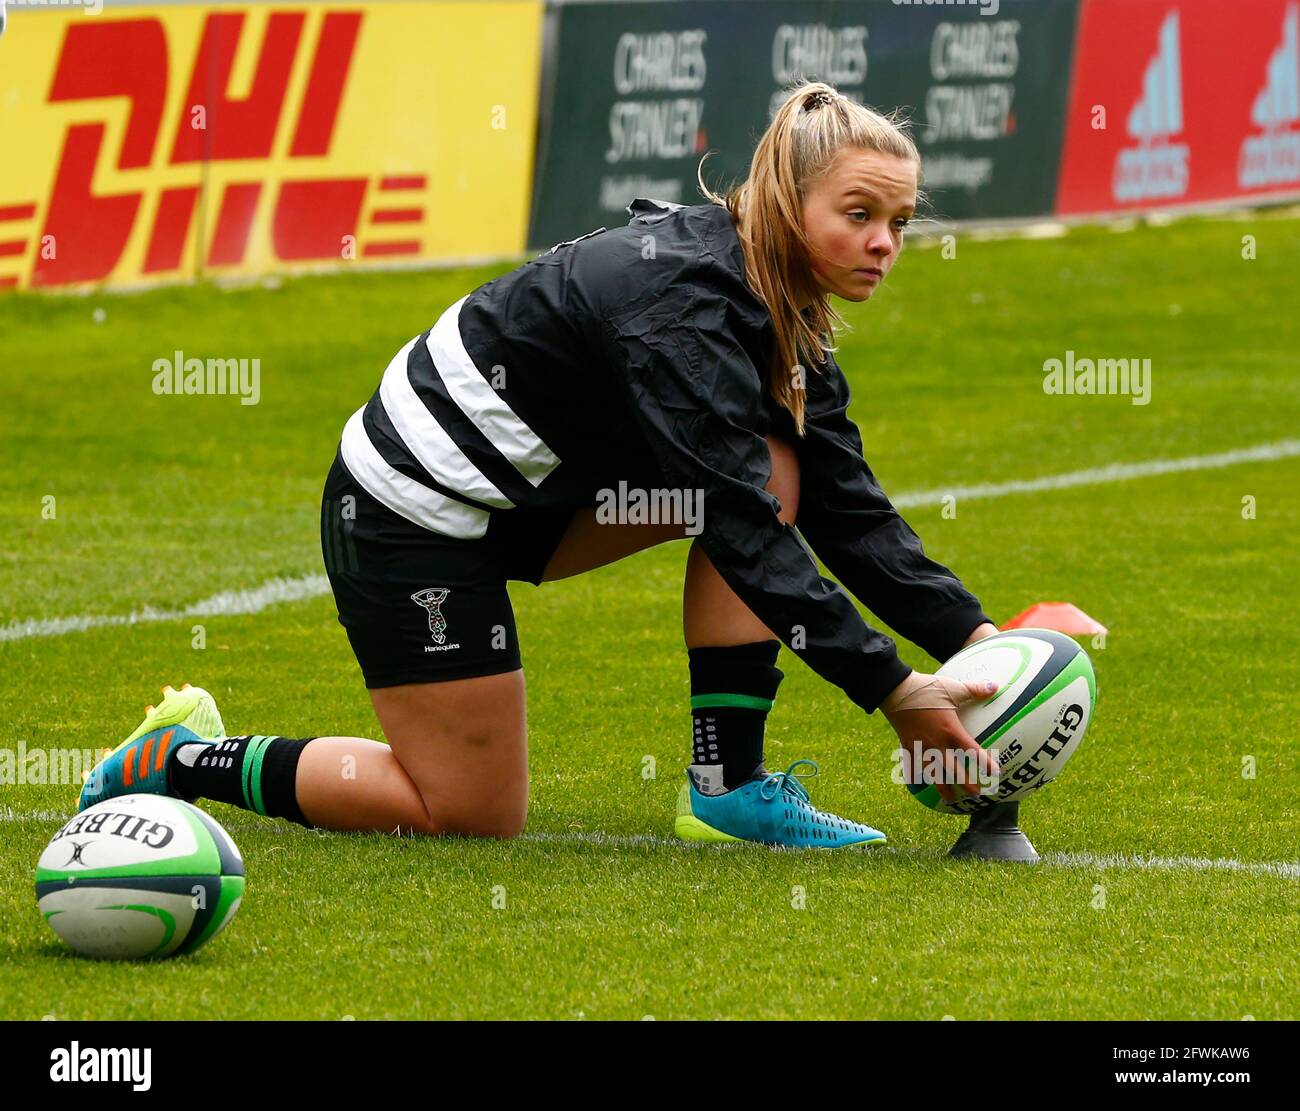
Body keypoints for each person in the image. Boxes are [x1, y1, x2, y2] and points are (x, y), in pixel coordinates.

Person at [80, 82, 1004, 850]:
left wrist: (978, 637)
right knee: (469, 814)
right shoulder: (683, 308)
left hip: (528, 500)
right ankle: (178, 758)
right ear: (782, 201)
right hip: (409, 514)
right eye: (859, 214)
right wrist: (896, 691)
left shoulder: (779, 303)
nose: (886, 241)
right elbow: (738, 525)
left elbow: (847, 502)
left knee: (781, 468)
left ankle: (727, 786)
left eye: (898, 220)